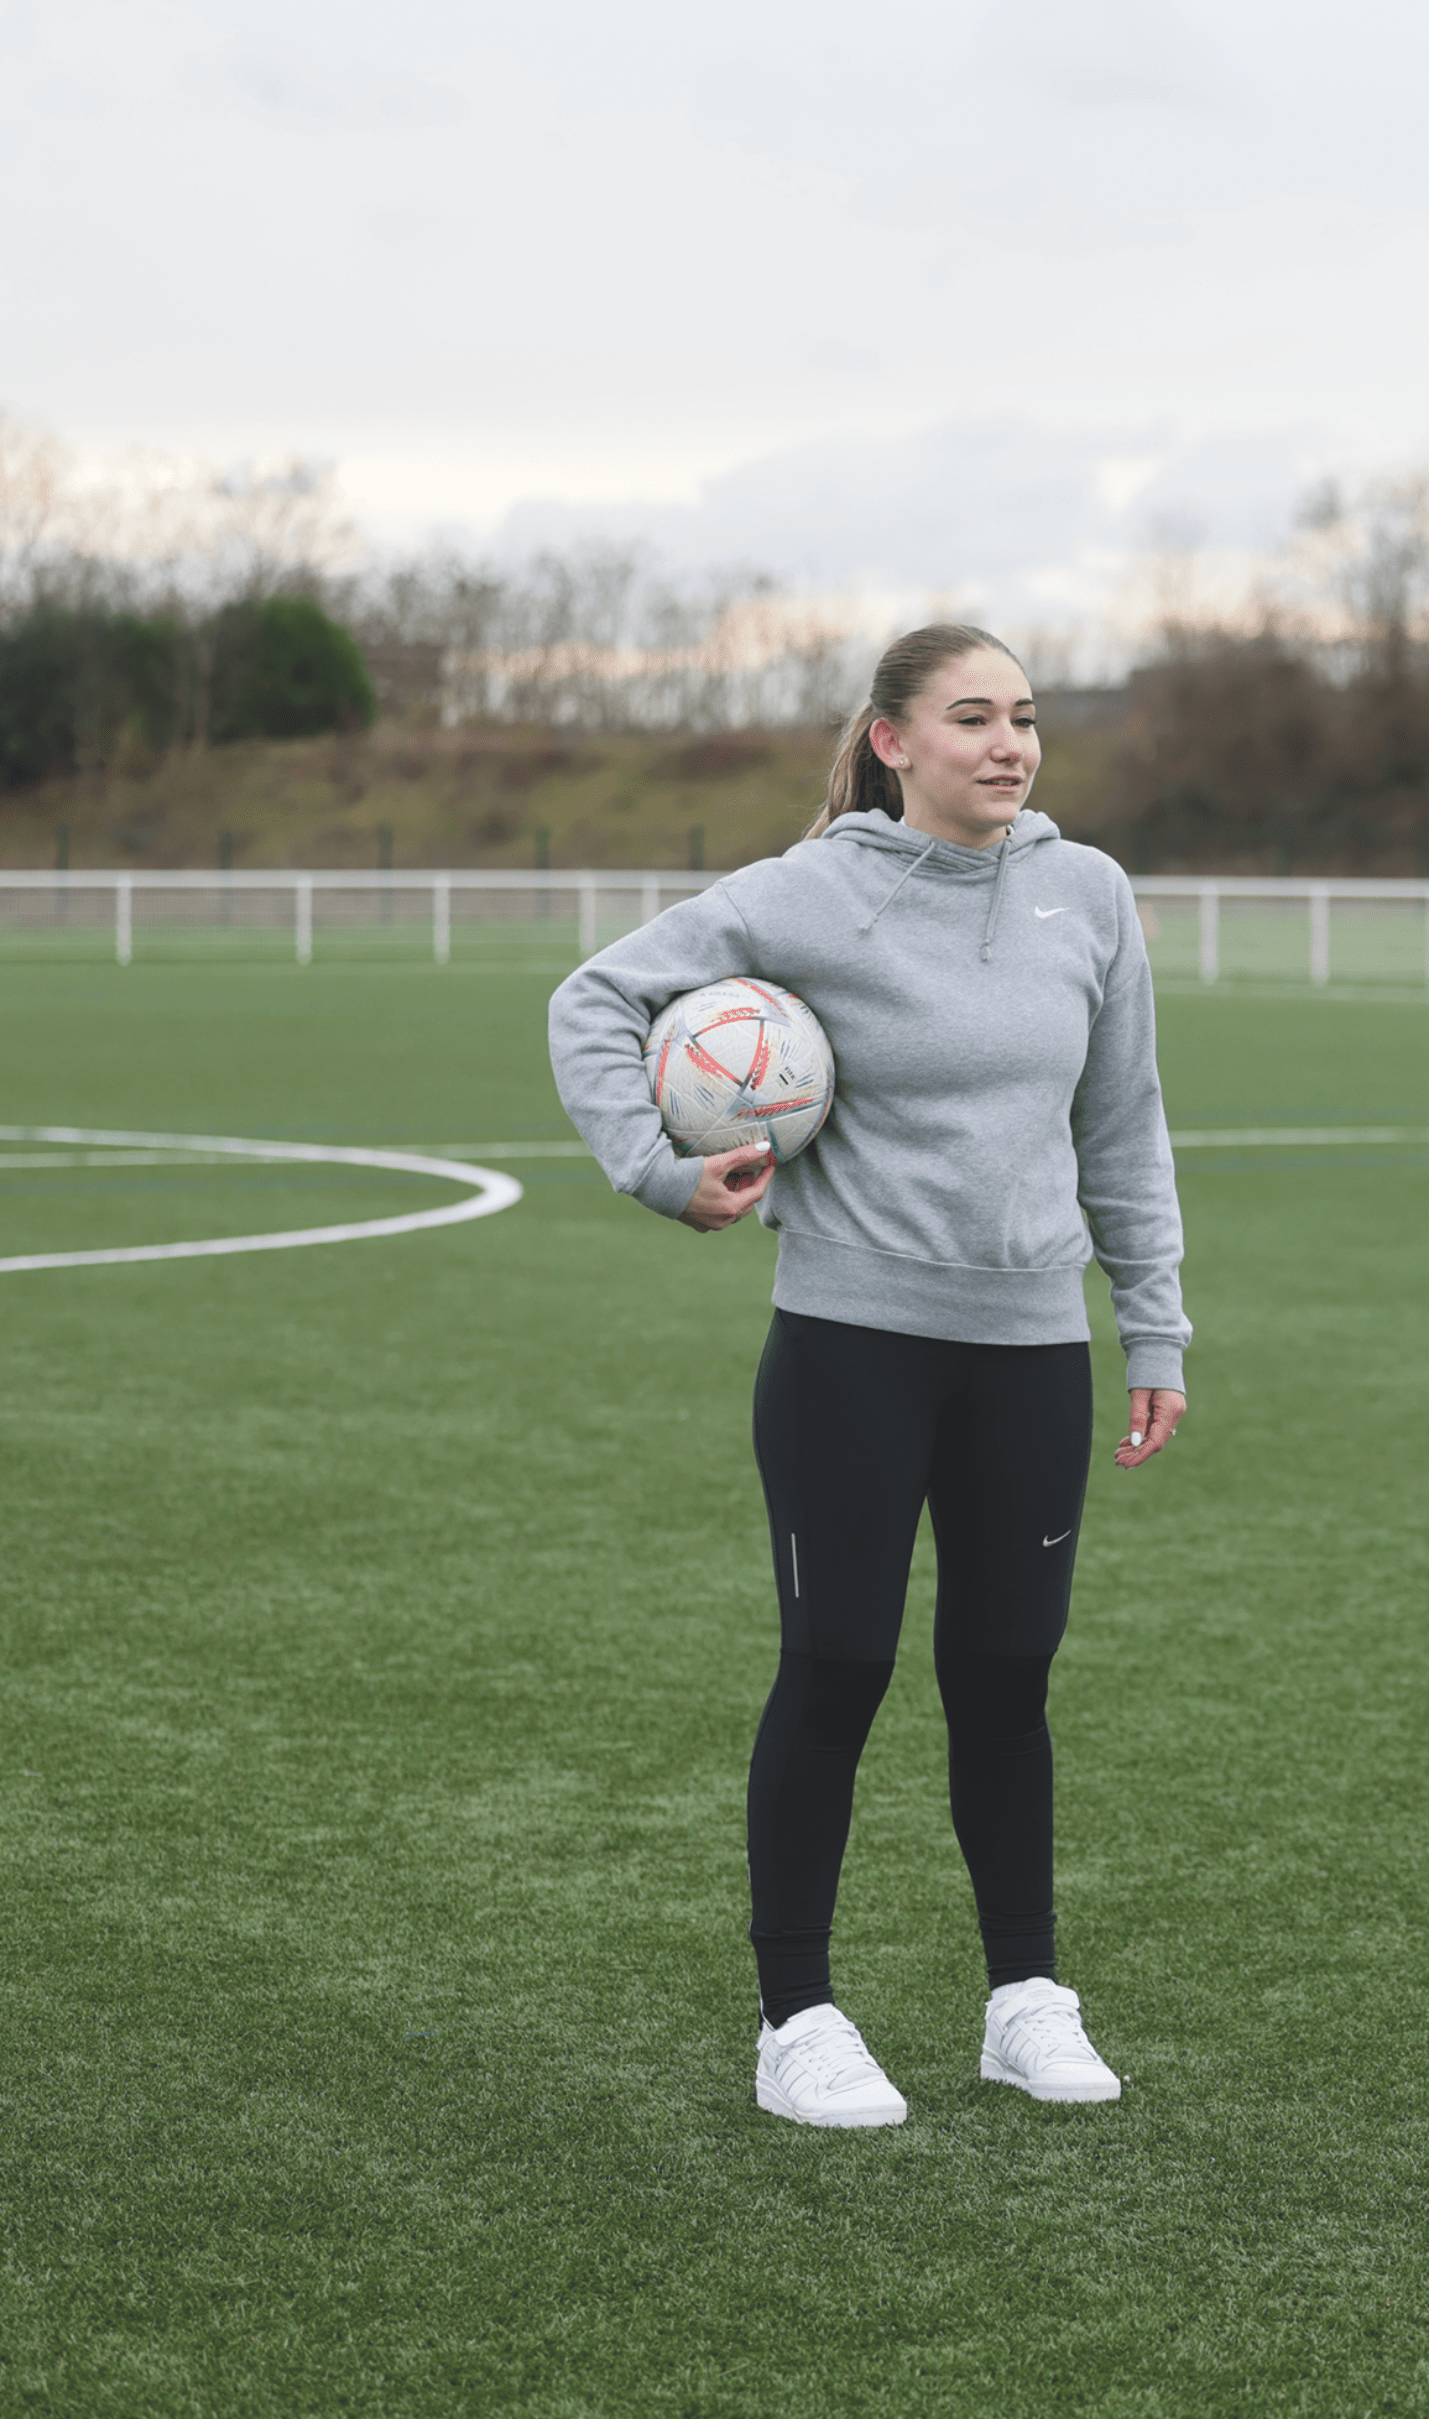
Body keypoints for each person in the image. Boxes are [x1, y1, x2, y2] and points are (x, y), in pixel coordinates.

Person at [547, 623, 1187, 2130]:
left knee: (1005, 1678)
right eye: (972, 718)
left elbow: (1126, 1125)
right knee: (838, 1668)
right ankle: (798, 2017)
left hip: (1031, 1351)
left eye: (1026, 717)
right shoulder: (812, 890)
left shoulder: (1086, 893)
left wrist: (1150, 1325)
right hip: (852, 1351)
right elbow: (594, 1000)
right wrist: (658, 1171)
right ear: (892, 740)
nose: (1010, 745)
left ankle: (1024, 1999)